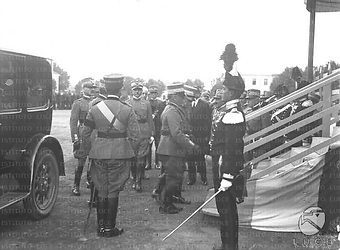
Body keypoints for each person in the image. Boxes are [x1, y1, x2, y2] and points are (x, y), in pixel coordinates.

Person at [82, 73, 141, 237]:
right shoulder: (127, 109)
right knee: (114, 189)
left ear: (105, 88)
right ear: (121, 88)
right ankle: (110, 228)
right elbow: (136, 137)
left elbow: (84, 133)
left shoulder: (95, 108)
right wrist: (131, 153)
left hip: (99, 153)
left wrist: (90, 150)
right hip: (119, 153)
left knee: (101, 189)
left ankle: (101, 228)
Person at [211, 43, 247, 250]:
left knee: (227, 209)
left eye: (224, 89)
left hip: (226, 168)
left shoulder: (233, 115)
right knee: (223, 209)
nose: (221, 91)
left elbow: (232, 149)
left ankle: (230, 246)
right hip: (221, 166)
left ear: (232, 92)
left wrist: (228, 176)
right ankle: (227, 244)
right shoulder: (226, 112)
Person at [156, 83, 200, 214]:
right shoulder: (172, 111)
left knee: (171, 175)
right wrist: (192, 146)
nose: (183, 98)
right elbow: (176, 134)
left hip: (172, 149)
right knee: (174, 177)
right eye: (181, 96)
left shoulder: (174, 109)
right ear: (174, 96)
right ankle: (166, 204)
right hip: (171, 149)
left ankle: (161, 194)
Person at [69, 77, 96, 196]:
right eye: (89, 88)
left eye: (92, 88)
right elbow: (73, 122)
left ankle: (90, 181)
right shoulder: (78, 103)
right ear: (83, 89)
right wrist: (75, 138)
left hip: (93, 134)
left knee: (93, 161)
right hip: (82, 133)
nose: (91, 90)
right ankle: (76, 185)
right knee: (81, 162)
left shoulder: (96, 102)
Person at [128, 81, 155, 191]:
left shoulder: (146, 103)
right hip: (132, 133)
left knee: (141, 158)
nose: (138, 92)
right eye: (135, 90)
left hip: (144, 132)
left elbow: (150, 119)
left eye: (139, 90)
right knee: (133, 158)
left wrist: (152, 134)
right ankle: (134, 176)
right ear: (132, 91)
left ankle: (138, 181)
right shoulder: (127, 103)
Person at [86, 84, 108, 207]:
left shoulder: (93, 102)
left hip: (94, 136)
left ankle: (94, 198)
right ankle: (96, 198)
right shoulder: (100, 103)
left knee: (94, 168)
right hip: (100, 136)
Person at [187, 86, 211, 186]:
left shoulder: (205, 104)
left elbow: (208, 122)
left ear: (198, 93)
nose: (193, 94)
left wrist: (206, 137)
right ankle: (191, 179)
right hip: (190, 136)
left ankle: (203, 178)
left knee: (200, 159)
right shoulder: (187, 104)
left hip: (200, 136)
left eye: (195, 92)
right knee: (190, 159)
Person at [244, 89, 271, 161]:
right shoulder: (247, 111)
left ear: (257, 99)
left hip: (259, 146)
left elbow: (266, 130)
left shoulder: (263, 112)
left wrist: (255, 140)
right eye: (247, 99)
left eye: (250, 99)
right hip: (247, 144)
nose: (247, 101)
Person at [146, 85, 166, 169]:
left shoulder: (161, 103)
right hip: (149, 127)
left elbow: (163, 115)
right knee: (148, 146)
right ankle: (148, 163)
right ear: (149, 93)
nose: (153, 94)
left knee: (158, 145)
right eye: (151, 93)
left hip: (158, 126)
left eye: (155, 93)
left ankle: (157, 162)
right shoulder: (146, 103)